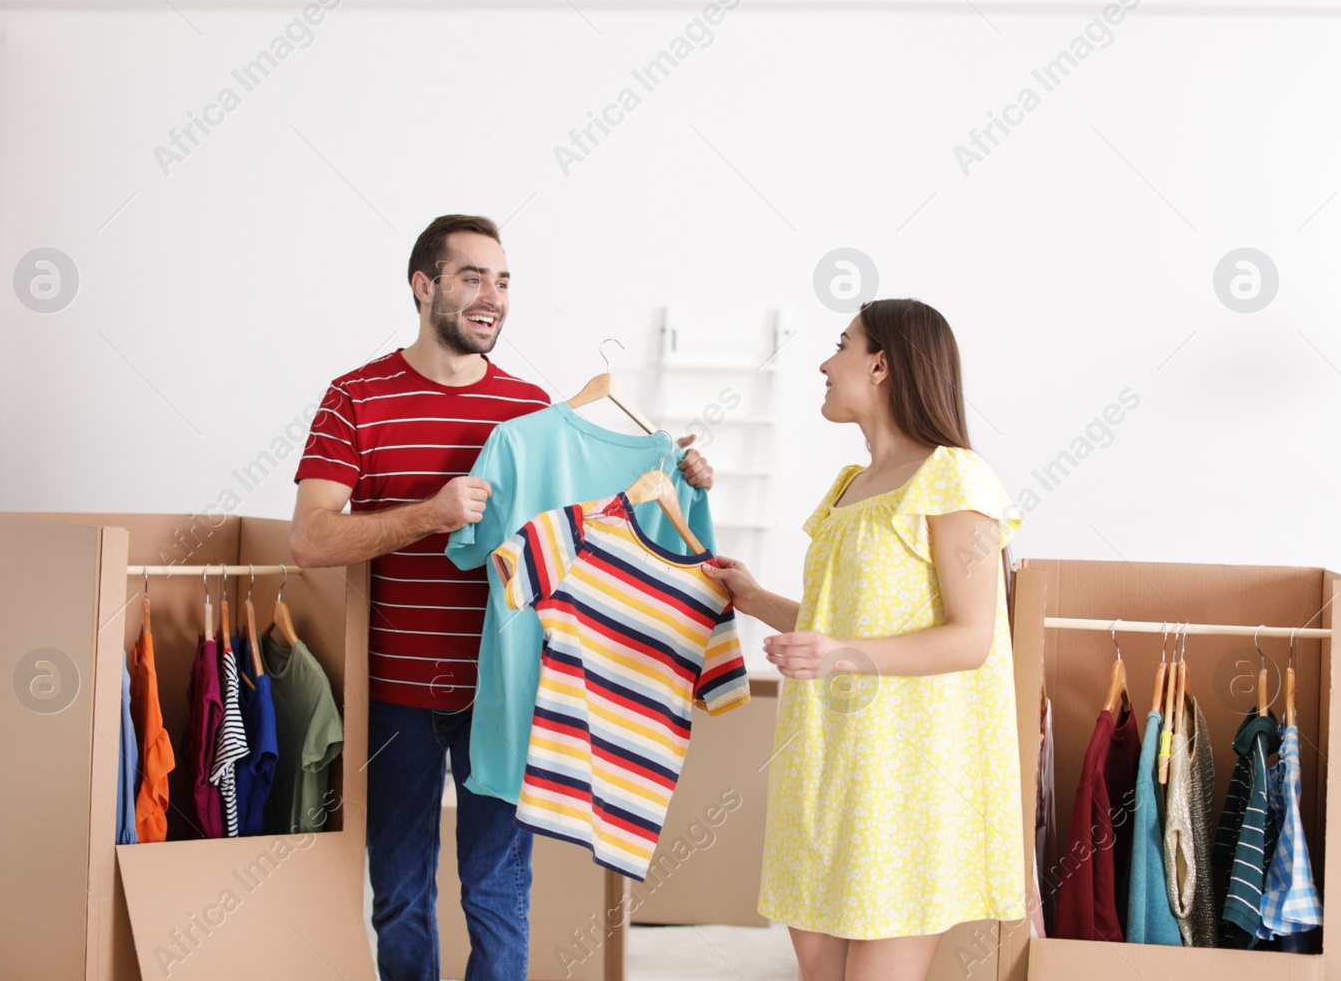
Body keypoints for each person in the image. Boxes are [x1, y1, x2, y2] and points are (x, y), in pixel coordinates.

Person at [288, 214, 713, 980]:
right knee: (399, 892)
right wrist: (431, 516)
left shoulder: (532, 412)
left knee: (496, 891)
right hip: (395, 695)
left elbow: (598, 518)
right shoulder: (354, 397)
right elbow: (311, 540)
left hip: (513, 691)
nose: (494, 297)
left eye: (505, 280)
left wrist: (673, 478)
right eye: (473, 278)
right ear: (425, 287)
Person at [702, 299, 1027, 981]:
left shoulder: (956, 477)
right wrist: (757, 599)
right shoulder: (851, 489)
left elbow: (974, 639)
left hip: (903, 779)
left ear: (880, 364)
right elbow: (842, 625)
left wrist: (842, 655)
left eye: (841, 345)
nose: (825, 362)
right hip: (827, 765)